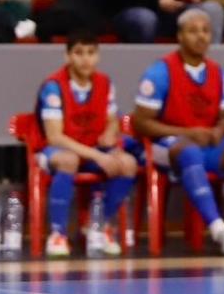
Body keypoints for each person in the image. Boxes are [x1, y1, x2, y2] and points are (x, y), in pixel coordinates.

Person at [130, 9, 224, 254]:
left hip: (206, 142)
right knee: (189, 152)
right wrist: (187, 132)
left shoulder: (217, 72)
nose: (201, 37)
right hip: (162, 147)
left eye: (205, 31)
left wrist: (219, 129)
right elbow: (141, 123)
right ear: (180, 36)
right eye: (193, 31)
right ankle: (219, 230)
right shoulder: (160, 72)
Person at [33, 33, 142, 258]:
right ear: (67, 56)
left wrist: (111, 133)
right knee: (68, 160)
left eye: (91, 53)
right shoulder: (53, 87)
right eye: (79, 53)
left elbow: (113, 119)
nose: (85, 60)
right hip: (56, 151)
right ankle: (57, 234)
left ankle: (98, 226)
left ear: (98, 56)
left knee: (128, 163)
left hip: (93, 149)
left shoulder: (104, 83)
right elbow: (55, 137)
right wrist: (98, 156)